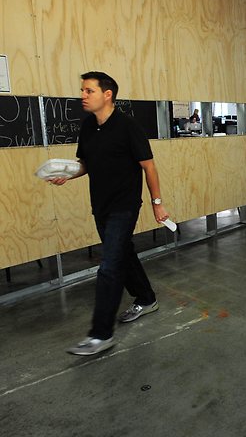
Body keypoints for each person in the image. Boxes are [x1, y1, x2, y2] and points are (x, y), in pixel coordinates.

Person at [48, 71, 170, 356]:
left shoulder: (128, 127)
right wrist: (67, 175)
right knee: (123, 253)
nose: (83, 95)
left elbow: (148, 167)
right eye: (82, 90)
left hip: (124, 206)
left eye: (89, 90)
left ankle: (100, 335)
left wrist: (157, 202)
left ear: (107, 94)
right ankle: (147, 298)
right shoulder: (88, 126)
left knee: (110, 265)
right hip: (100, 206)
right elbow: (85, 164)